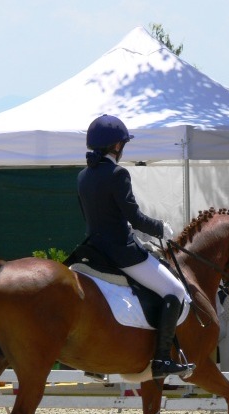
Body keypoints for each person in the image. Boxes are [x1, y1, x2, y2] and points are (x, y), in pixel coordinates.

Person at [77, 114, 195, 380]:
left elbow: (94, 217)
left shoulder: (83, 176)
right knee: (175, 290)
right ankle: (162, 358)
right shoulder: (118, 174)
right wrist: (160, 228)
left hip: (94, 252)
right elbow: (135, 216)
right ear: (117, 146)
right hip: (121, 253)